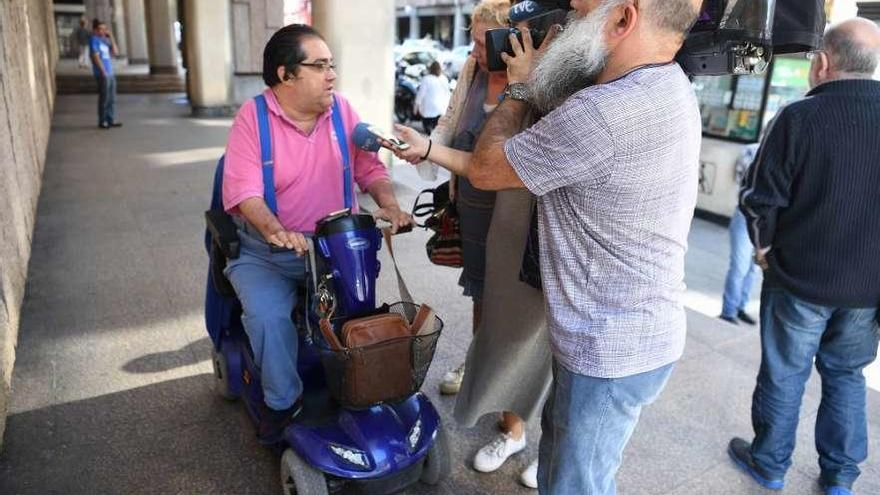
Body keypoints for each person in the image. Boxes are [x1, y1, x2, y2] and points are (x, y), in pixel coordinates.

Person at [396, 0, 703, 492]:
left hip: (608, 348)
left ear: (624, 19)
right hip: (632, 334)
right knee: (566, 463)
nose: (563, 27)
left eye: (579, 14)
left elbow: (486, 167)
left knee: (576, 484)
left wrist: (521, 85)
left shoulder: (605, 113)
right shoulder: (666, 84)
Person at [221, 24, 413, 444]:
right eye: (320, 66)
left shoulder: (340, 111)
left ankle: (359, 390)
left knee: (361, 318)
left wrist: (390, 203)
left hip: (333, 251)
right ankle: (282, 404)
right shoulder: (253, 119)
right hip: (267, 254)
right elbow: (244, 191)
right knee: (269, 320)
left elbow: (368, 169)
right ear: (285, 75)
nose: (332, 75)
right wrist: (276, 230)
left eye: (333, 65)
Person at [397, 0, 552, 488]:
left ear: (518, 40)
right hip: (474, 212)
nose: (479, 50)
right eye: (474, 38)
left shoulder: (542, 82)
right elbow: (449, 126)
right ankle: (487, 376)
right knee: (483, 301)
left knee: (526, 325)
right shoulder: (471, 69)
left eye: (490, 39)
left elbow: (505, 164)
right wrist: (425, 151)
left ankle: (519, 429)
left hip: (520, 221)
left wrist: (524, 85)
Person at [729, 19, 880, 495]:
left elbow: (758, 199)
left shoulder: (797, 118)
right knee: (846, 375)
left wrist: (763, 250)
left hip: (797, 280)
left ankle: (770, 465)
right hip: (867, 290)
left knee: (784, 373)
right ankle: (840, 477)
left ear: (822, 63)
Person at [719, 142, 760, 325]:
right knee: (740, 267)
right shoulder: (751, 151)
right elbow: (742, 180)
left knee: (755, 268)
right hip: (745, 219)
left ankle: (740, 306)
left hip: (766, 226)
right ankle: (728, 311)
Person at [89, 19, 120, 129]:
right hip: (103, 74)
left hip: (110, 73)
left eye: (105, 29)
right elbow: (96, 57)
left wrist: (111, 36)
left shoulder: (105, 41)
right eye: (100, 29)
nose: (103, 31)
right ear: (95, 30)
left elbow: (115, 53)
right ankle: (102, 121)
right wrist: (103, 72)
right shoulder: (94, 40)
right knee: (104, 98)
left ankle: (110, 119)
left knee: (111, 98)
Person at [414, 61, 450, 135]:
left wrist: (416, 106)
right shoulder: (444, 78)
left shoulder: (426, 79)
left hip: (429, 108)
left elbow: (421, 94)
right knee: (436, 128)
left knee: (428, 128)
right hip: (441, 107)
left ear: (430, 69)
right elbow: (448, 93)